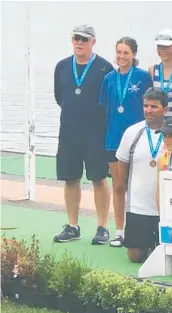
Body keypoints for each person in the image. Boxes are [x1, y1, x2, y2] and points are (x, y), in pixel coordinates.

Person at [53, 24, 113, 244]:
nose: (79, 42)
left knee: (98, 179)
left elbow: (108, 101)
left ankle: (102, 227)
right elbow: (60, 98)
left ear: (93, 42)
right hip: (69, 132)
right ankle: (72, 225)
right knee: (70, 179)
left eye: (84, 39)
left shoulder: (105, 68)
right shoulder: (61, 67)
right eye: (76, 38)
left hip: (95, 134)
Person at [99, 37, 152, 248]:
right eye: (119, 52)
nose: (122, 57)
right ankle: (119, 231)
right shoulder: (109, 79)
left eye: (126, 53)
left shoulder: (142, 77)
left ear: (134, 55)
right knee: (119, 186)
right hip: (114, 138)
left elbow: (150, 106)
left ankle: (139, 231)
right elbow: (105, 109)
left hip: (138, 138)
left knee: (138, 187)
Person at [115, 88, 168, 262]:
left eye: (154, 106)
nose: (148, 110)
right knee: (134, 256)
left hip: (164, 208)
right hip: (138, 206)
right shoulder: (132, 132)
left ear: (165, 110)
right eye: (146, 106)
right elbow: (122, 169)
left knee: (163, 255)